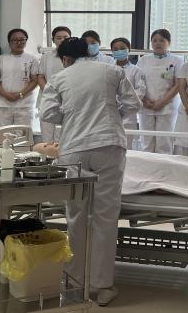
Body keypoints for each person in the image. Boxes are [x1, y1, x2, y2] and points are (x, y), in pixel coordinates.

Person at [39, 37, 141, 307]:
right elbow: (133, 104)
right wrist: (112, 115)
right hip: (109, 145)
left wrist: (72, 117)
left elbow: (47, 113)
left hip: (74, 148)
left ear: (65, 59)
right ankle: (102, 286)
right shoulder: (112, 70)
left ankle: (75, 282)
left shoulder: (59, 78)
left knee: (76, 215)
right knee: (105, 216)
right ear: (88, 53)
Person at [137, 29, 183, 154]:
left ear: (169, 42)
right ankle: (147, 166)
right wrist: (145, 100)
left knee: (164, 143)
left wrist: (161, 102)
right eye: (154, 40)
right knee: (146, 142)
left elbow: (178, 84)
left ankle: (163, 166)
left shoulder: (176, 60)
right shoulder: (143, 60)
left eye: (162, 40)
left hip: (167, 106)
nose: (158, 43)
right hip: (146, 105)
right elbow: (138, 83)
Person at [0, 28, 40, 128]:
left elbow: (35, 81)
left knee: (23, 135)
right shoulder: (0, 59)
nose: (19, 43)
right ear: (9, 42)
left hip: (24, 104)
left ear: (26, 41)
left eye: (22, 40)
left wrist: (20, 94)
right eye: (15, 40)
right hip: (2, 103)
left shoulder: (32, 59)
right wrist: (6, 95)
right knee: (1, 134)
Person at [110, 37, 147, 149]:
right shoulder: (109, 70)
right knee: (111, 147)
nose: (119, 51)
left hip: (129, 115)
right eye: (115, 49)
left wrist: (125, 104)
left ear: (128, 49)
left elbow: (140, 90)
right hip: (111, 112)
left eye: (122, 48)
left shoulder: (136, 70)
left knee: (127, 147)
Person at [37, 26, 72, 143]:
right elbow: (40, 76)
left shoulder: (75, 56)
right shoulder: (46, 57)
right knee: (47, 137)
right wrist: (49, 92)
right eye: (58, 38)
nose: (62, 40)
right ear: (53, 40)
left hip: (67, 99)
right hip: (48, 98)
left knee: (63, 138)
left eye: (65, 37)